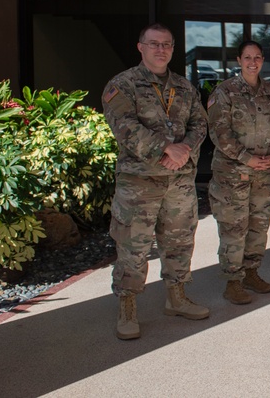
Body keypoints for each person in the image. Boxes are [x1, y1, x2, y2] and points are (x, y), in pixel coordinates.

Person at [102, 23, 209, 340]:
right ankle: (127, 307)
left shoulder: (184, 88)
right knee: (133, 247)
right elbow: (123, 126)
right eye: (153, 44)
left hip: (178, 182)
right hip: (139, 185)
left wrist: (185, 149)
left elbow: (200, 123)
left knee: (179, 242)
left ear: (173, 49)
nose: (160, 49)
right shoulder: (122, 85)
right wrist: (166, 148)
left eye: (166, 44)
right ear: (140, 47)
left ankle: (176, 298)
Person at [207, 40, 270, 305]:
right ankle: (232, 281)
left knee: (259, 225)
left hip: (265, 173)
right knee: (234, 227)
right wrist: (246, 158)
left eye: (258, 57)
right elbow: (218, 132)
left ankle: (252, 272)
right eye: (248, 57)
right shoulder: (224, 92)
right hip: (233, 174)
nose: (253, 62)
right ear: (238, 60)